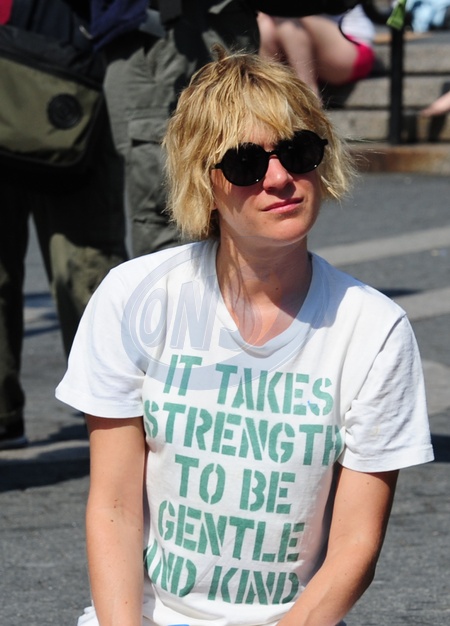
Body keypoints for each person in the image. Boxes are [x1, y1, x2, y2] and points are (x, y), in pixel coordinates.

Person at [56, 48, 434, 626]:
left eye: (299, 152)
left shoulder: (374, 329)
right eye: (244, 164)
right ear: (203, 181)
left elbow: (355, 546)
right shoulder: (136, 297)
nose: (279, 179)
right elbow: (114, 507)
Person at [0, 0, 128, 449]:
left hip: (72, 75)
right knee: (85, 263)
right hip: (56, 68)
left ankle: (113, 411)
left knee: (86, 266)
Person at [258, 5, 375, 98]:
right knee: (264, 23)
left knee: (286, 15)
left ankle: (309, 95)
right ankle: (272, 97)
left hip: (352, 47)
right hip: (311, 54)